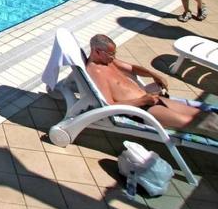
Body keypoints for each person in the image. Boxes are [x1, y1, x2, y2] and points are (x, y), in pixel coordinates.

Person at [87, 34, 218, 139]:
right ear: (97, 51)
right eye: (110, 54)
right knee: (202, 124)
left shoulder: (108, 62)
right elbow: (108, 105)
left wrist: (153, 75)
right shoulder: (96, 72)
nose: (113, 57)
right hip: (141, 110)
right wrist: (142, 101)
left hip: (150, 99)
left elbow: (132, 68)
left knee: (204, 115)